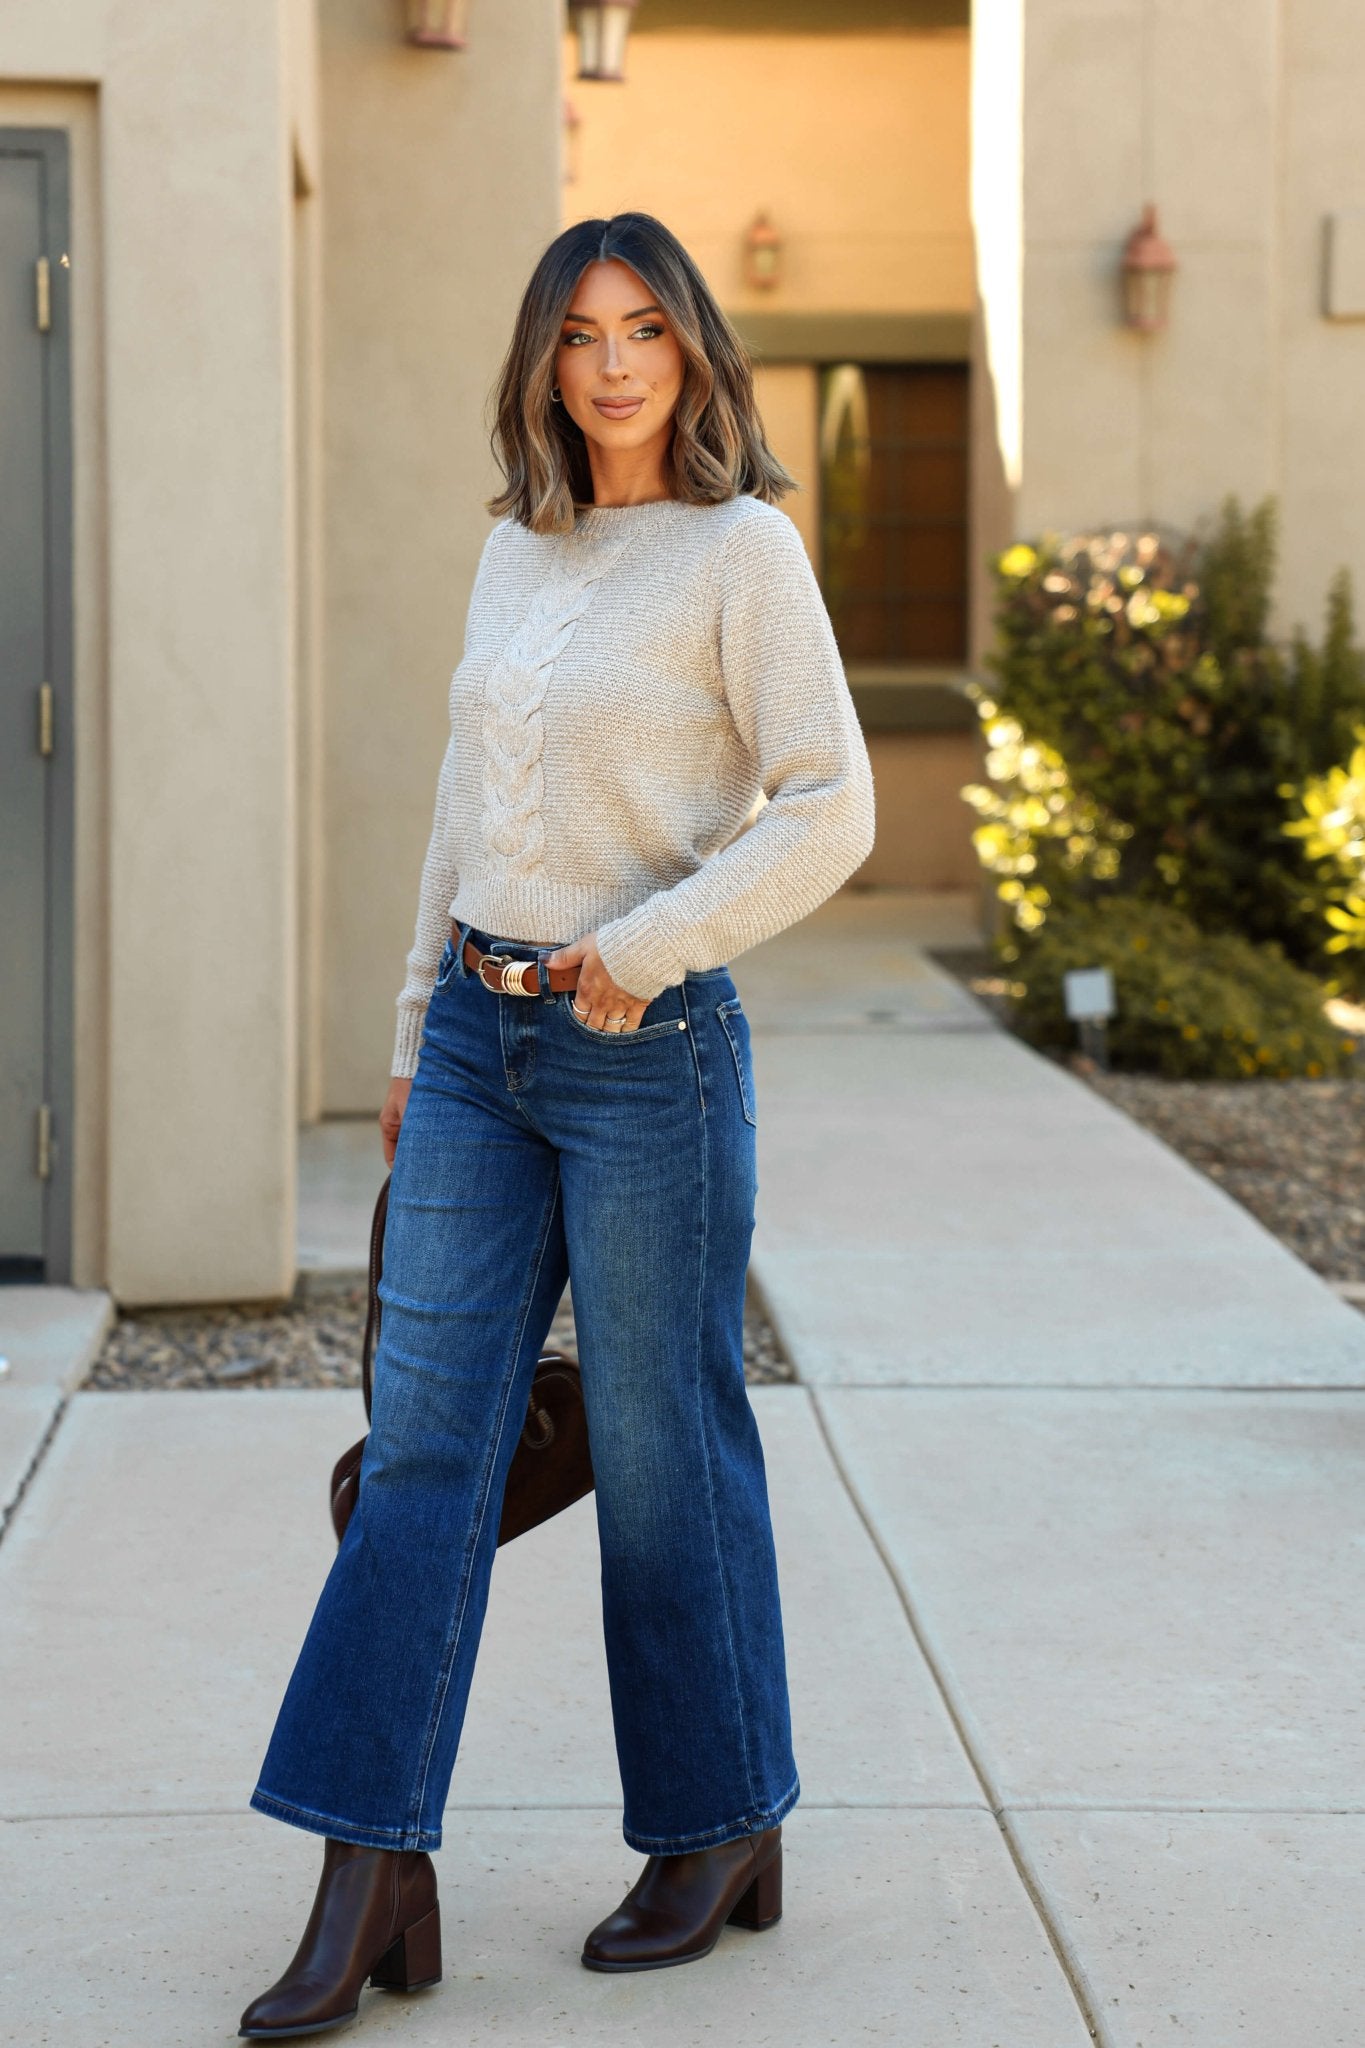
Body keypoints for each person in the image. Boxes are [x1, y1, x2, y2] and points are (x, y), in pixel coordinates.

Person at [238, 210, 876, 2040]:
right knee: (425, 1451)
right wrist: (411, 1021)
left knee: (667, 1447)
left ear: (692, 355)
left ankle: (715, 1822)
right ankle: (369, 1873)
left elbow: (827, 803)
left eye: (645, 332)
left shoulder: (742, 552)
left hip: (647, 1049)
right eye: (580, 332)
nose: (610, 364)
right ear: (540, 357)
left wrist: (648, 947)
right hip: (475, 1057)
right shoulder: (517, 549)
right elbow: (461, 805)